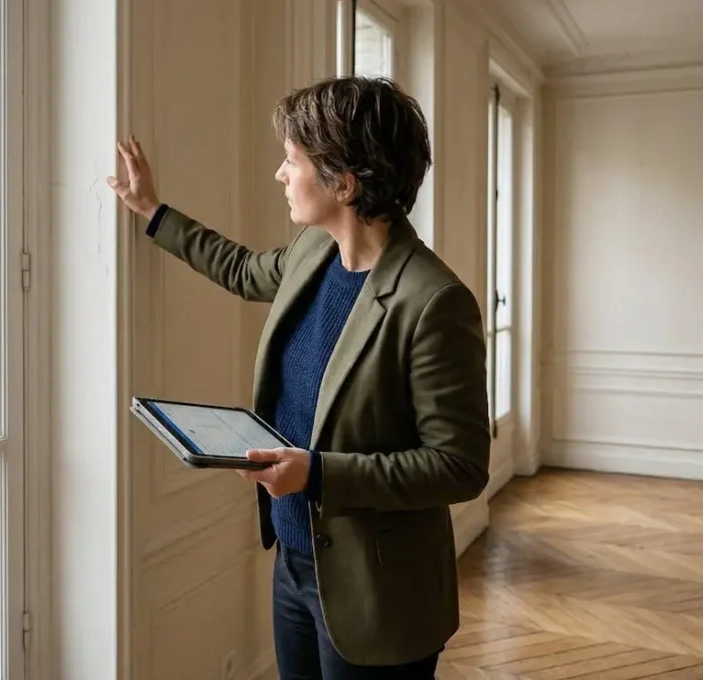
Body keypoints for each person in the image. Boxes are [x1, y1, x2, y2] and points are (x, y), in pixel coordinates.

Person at [108, 76, 491, 679]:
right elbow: (239, 269)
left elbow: (459, 465)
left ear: (345, 181)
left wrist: (315, 473)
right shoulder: (312, 253)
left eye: (293, 161)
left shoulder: (434, 301)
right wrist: (153, 212)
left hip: (377, 591)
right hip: (293, 558)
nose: (281, 175)